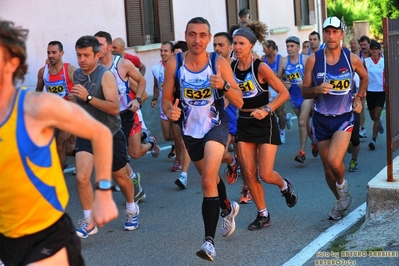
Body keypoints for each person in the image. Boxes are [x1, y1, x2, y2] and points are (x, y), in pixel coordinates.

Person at [0, 20, 117, 265]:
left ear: (12, 63)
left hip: (45, 235)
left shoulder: (35, 106)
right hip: (6, 238)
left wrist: (104, 193)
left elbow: (101, 133)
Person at [162, 17, 243, 261]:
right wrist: (169, 110)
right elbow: (166, 100)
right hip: (189, 130)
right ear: (185, 36)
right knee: (210, 178)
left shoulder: (218, 63)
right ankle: (228, 207)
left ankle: (208, 243)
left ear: (208, 38)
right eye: (192, 34)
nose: (197, 40)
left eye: (202, 35)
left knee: (207, 180)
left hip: (215, 126)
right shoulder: (174, 64)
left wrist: (225, 85)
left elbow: (239, 101)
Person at [231, 21, 298, 231]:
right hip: (243, 122)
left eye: (241, 43)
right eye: (234, 43)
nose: (237, 47)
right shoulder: (230, 67)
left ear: (251, 46)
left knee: (266, 174)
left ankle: (285, 186)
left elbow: (283, 93)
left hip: (264, 123)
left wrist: (267, 109)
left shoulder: (260, 67)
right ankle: (263, 214)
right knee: (249, 174)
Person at [72, 35, 140, 238]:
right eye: (78, 55)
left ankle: (131, 208)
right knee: (82, 178)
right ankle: (89, 221)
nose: (82, 59)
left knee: (120, 177)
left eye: (86, 55)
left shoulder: (106, 76)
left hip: (109, 133)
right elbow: (80, 104)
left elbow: (113, 108)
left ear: (97, 54)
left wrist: (89, 97)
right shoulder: (77, 75)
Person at [302, 16, 368, 220]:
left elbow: (365, 77)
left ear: (341, 34)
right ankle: (340, 200)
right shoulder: (314, 59)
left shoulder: (351, 58)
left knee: (334, 160)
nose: (331, 36)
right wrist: (316, 89)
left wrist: (358, 97)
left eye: (335, 32)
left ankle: (343, 185)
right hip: (321, 119)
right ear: (324, 34)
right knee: (328, 170)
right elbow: (304, 92)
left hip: (343, 118)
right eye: (327, 32)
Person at [95, 31, 154, 204]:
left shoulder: (123, 64)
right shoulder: (94, 67)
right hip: (108, 118)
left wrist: (137, 99)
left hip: (127, 114)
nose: (97, 48)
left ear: (110, 47)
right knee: (118, 155)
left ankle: (151, 143)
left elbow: (142, 82)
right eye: (95, 44)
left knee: (134, 153)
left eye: (101, 44)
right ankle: (134, 187)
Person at [213, 31, 252, 204]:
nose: (217, 48)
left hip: (242, 118)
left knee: (246, 159)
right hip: (222, 121)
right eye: (214, 45)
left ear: (230, 47)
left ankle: (246, 189)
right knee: (220, 154)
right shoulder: (212, 67)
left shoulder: (238, 67)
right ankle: (232, 162)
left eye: (220, 45)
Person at [35, 41, 77, 170]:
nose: (50, 55)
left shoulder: (70, 70)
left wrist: (75, 97)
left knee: (60, 144)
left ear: (61, 53)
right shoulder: (43, 72)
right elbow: (38, 92)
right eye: (48, 52)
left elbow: (84, 90)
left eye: (54, 52)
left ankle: (59, 181)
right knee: (50, 145)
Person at [277, 36, 318, 163]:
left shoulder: (305, 59)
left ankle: (301, 152)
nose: (289, 49)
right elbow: (277, 78)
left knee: (301, 122)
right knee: (305, 124)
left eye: (292, 46)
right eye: (288, 46)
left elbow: (316, 76)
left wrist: (306, 83)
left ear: (298, 47)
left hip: (306, 95)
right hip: (293, 96)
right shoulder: (283, 61)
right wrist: (284, 83)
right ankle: (315, 143)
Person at [152, 41, 183, 171]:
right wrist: (154, 98)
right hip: (164, 106)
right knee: (167, 136)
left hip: (176, 104)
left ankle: (178, 160)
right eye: (161, 51)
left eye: (166, 51)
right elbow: (155, 85)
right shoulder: (156, 69)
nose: (163, 53)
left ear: (172, 53)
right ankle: (172, 145)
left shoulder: (178, 67)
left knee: (177, 134)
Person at [261, 40, 292, 143]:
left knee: (279, 112)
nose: (263, 50)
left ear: (271, 48)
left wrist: (276, 76)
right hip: (268, 89)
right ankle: (286, 117)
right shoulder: (263, 59)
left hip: (279, 88)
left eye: (265, 48)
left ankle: (282, 132)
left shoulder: (281, 59)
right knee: (271, 111)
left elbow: (287, 74)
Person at [364, 40, 385, 150]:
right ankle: (379, 123)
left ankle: (373, 140)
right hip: (370, 92)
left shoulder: (384, 61)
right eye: (372, 48)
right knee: (373, 117)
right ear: (370, 50)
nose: (374, 50)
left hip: (381, 92)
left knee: (376, 115)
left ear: (379, 50)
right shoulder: (366, 62)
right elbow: (362, 76)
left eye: (376, 48)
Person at [358, 35, 371, 138]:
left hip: (375, 86)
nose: (363, 47)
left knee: (373, 110)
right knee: (361, 106)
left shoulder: (375, 54)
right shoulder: (357, 56)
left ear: (369, 45)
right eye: (361, 45)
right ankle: (362, 128)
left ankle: (377, 120)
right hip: (362, 84)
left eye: (365, 44)